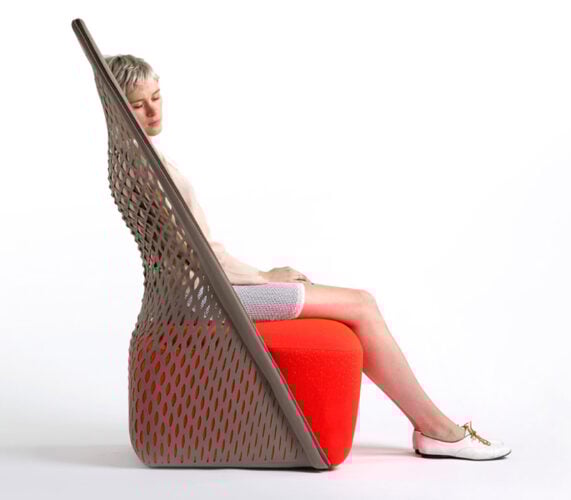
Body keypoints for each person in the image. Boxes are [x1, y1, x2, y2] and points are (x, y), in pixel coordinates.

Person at [103, 54, 511, 461]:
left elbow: (194, 252)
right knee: (361, 305)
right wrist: (265, 276)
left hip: (193, 293)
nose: (153, 111)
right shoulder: (149, 169)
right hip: (211, 299)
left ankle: (433, 427)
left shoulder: (130, 158)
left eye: (157, 96)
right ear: (119, 108)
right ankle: (437, 430)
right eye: (138, 104)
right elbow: (203, 256)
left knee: (354, 304)